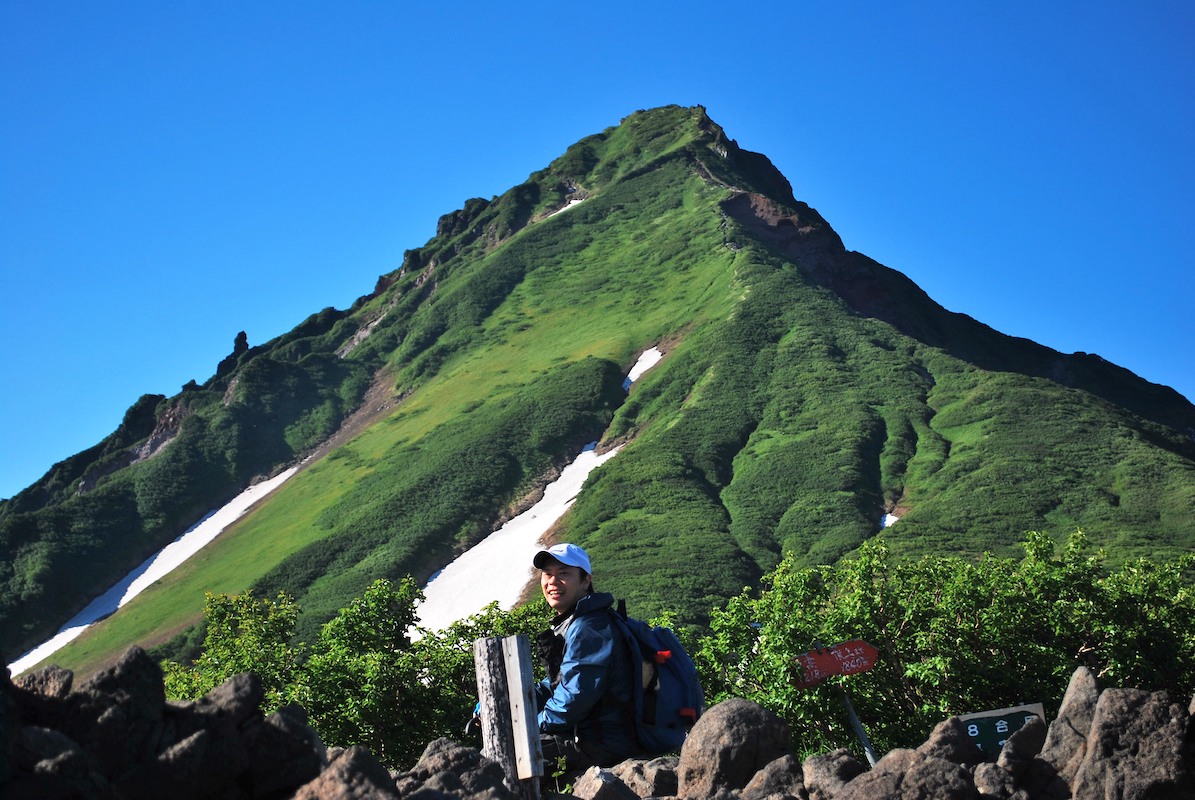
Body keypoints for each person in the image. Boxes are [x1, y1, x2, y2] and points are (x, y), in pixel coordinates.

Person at [532, 542, 639, 776]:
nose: (552, 582)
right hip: (593, 737)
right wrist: (511, 699)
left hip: (602, 744)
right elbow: (558, 685)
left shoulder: (589, 627)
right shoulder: (578, 622)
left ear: (585, 580)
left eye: (563, 574)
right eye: (547, 574)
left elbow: (573, 699)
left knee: (508, 755)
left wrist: (529, 725)